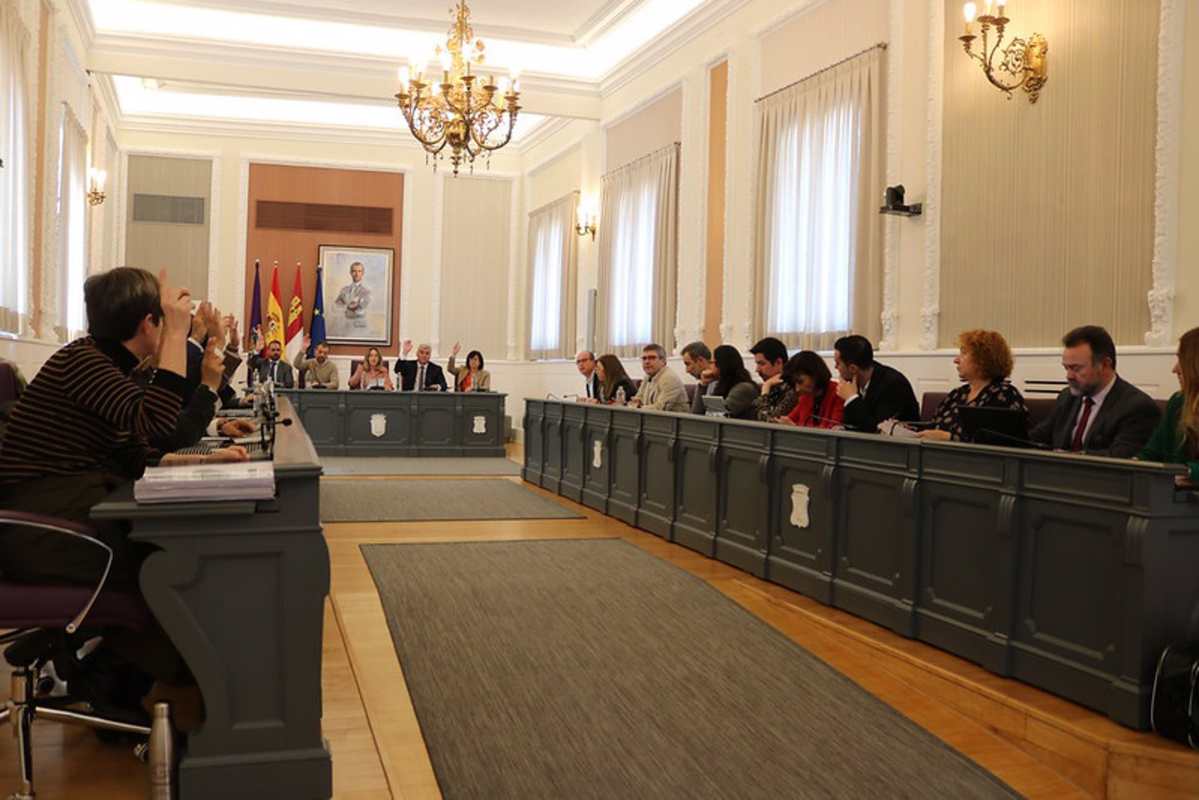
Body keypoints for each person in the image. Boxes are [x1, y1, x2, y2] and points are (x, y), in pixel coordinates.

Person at [1029, 325, 1160, 457]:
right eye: (1066, 368)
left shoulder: (1137, 407)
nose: (1069, 376)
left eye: (1076, 368)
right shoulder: (1067, 397)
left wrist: (1068, 457)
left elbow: (1120, 458)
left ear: (1104, 365)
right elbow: (1035, 439)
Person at [918, 330, 1028, 442]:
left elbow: (1002, 442)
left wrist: (949, 438)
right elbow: (932, 427)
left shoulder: (1005, 394)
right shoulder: (956, 394)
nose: (956, 360)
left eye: (964, 353)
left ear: (983, 359)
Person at [1139, 327, 1199, 487]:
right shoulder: (1178, 402)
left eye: (1182, 360)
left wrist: (1189, 473)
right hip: (1171, 498)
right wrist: (1133, 465)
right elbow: (1152, 453)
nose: (1175, 369)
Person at [834, 335, 920, 432]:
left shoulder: (893, 384)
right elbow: (852, 424)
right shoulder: (854, 382)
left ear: (853, 368)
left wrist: (852, 399)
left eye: (838, 363)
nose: (835, 367)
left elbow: (878, 430)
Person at [776, 351, 845, 429]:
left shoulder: (839, 393)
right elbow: (789, 419)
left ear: (814, 374)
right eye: (794, 383)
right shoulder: (806, 397)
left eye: (800, 381)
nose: (797, 389)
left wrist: (795, 428)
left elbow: (832, 434)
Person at [628, 344, 689, 412]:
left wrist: (637, 407)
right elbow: (638, 398)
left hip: (672, 421)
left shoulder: (669, 378)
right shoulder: (648, 376)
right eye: (644, 358)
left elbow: (660, 408)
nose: (647, 362)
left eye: (652, 358)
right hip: (652, 419)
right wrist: (634, 403)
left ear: (663, 361)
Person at [703, 345, 758, 420]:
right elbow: (696, 416)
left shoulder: (743, 388)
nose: (709, 366)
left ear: (722, 364)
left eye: (712, 362)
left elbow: (717, 416)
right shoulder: (718, 384)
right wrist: (703, 384)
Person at [750, 337, 798, 421]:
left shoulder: (793, 388)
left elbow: (769, 422)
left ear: (778, 362)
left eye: (762, 364)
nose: (757, 369)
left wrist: (766, 388)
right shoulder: (772, 385)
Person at [681, 341, 716, 415]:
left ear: (700, 360)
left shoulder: (717, 383)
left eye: (688, 364)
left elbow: (696, 416)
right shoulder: (703, 383)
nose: (687, 370)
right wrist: (702, 385)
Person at [334, 261, 371, 329]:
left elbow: (362, 308)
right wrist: (350, 306)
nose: (356, 274)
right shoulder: (344, 290)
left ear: (363, 273)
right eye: (354, 271)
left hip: (359, 324)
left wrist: (347, 306)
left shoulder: (366, 292)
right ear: (350, 273)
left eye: (359, 271)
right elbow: (336, 306)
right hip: (344, 323)